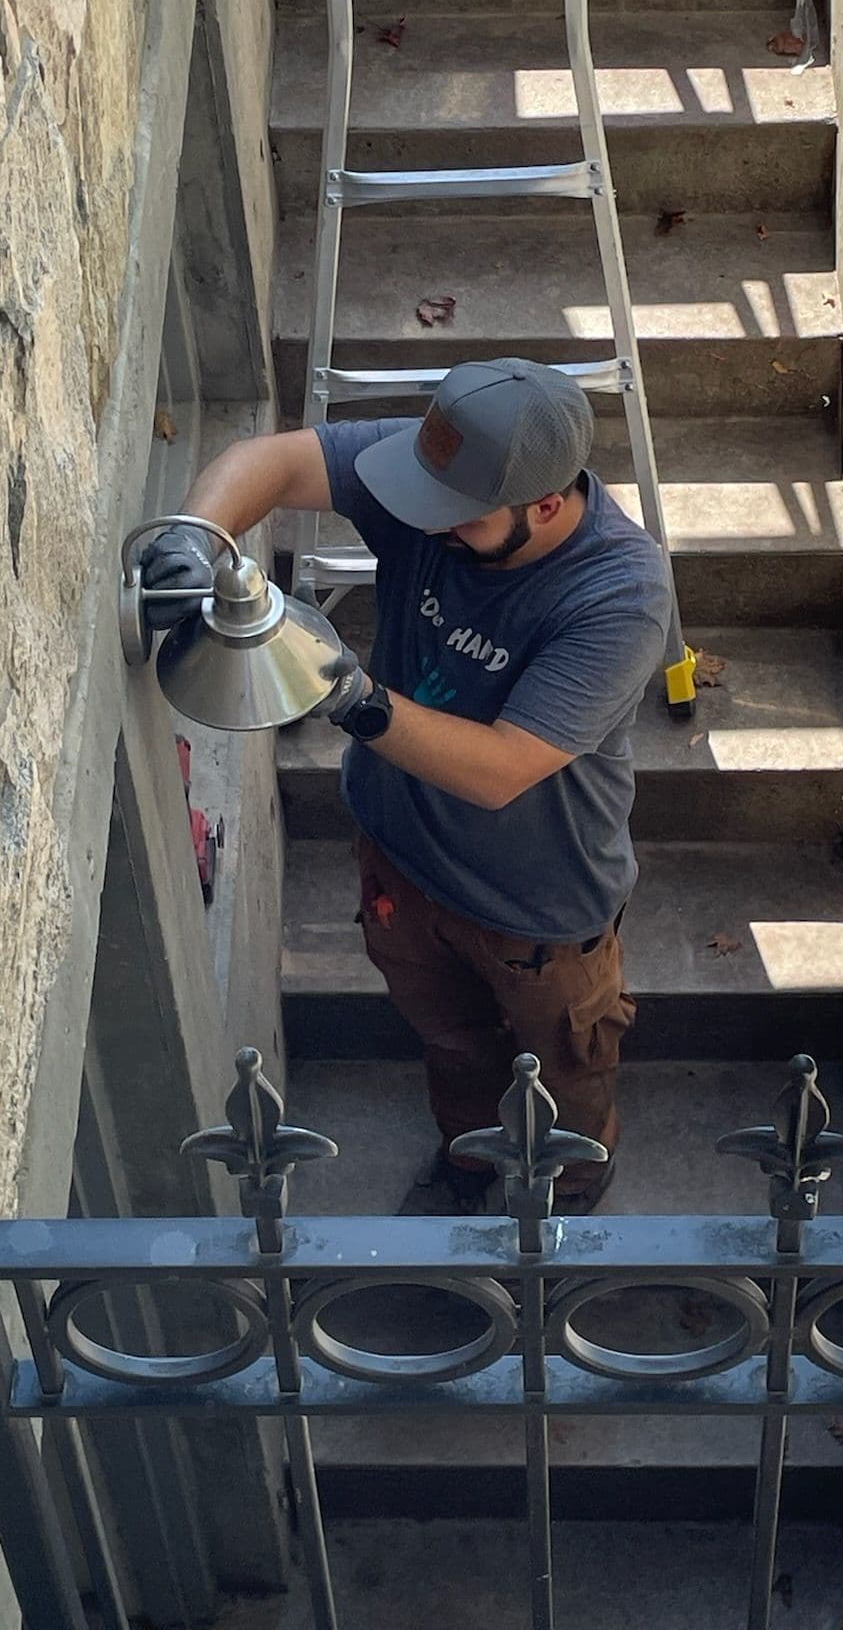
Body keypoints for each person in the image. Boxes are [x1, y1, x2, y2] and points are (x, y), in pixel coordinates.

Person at [141, 358, 671, 1213]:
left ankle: (570, 1181)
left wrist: (347, 695)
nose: (426, 525)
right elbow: (270, 463)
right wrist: (197, 534)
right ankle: (467, 1164)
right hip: (401, 861)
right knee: (452, 1044)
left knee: (568, 1061)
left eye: (456, 520)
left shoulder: (618, 593)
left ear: (545, 505)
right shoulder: (440, 472)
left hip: (540, 904)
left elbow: (501, 769)